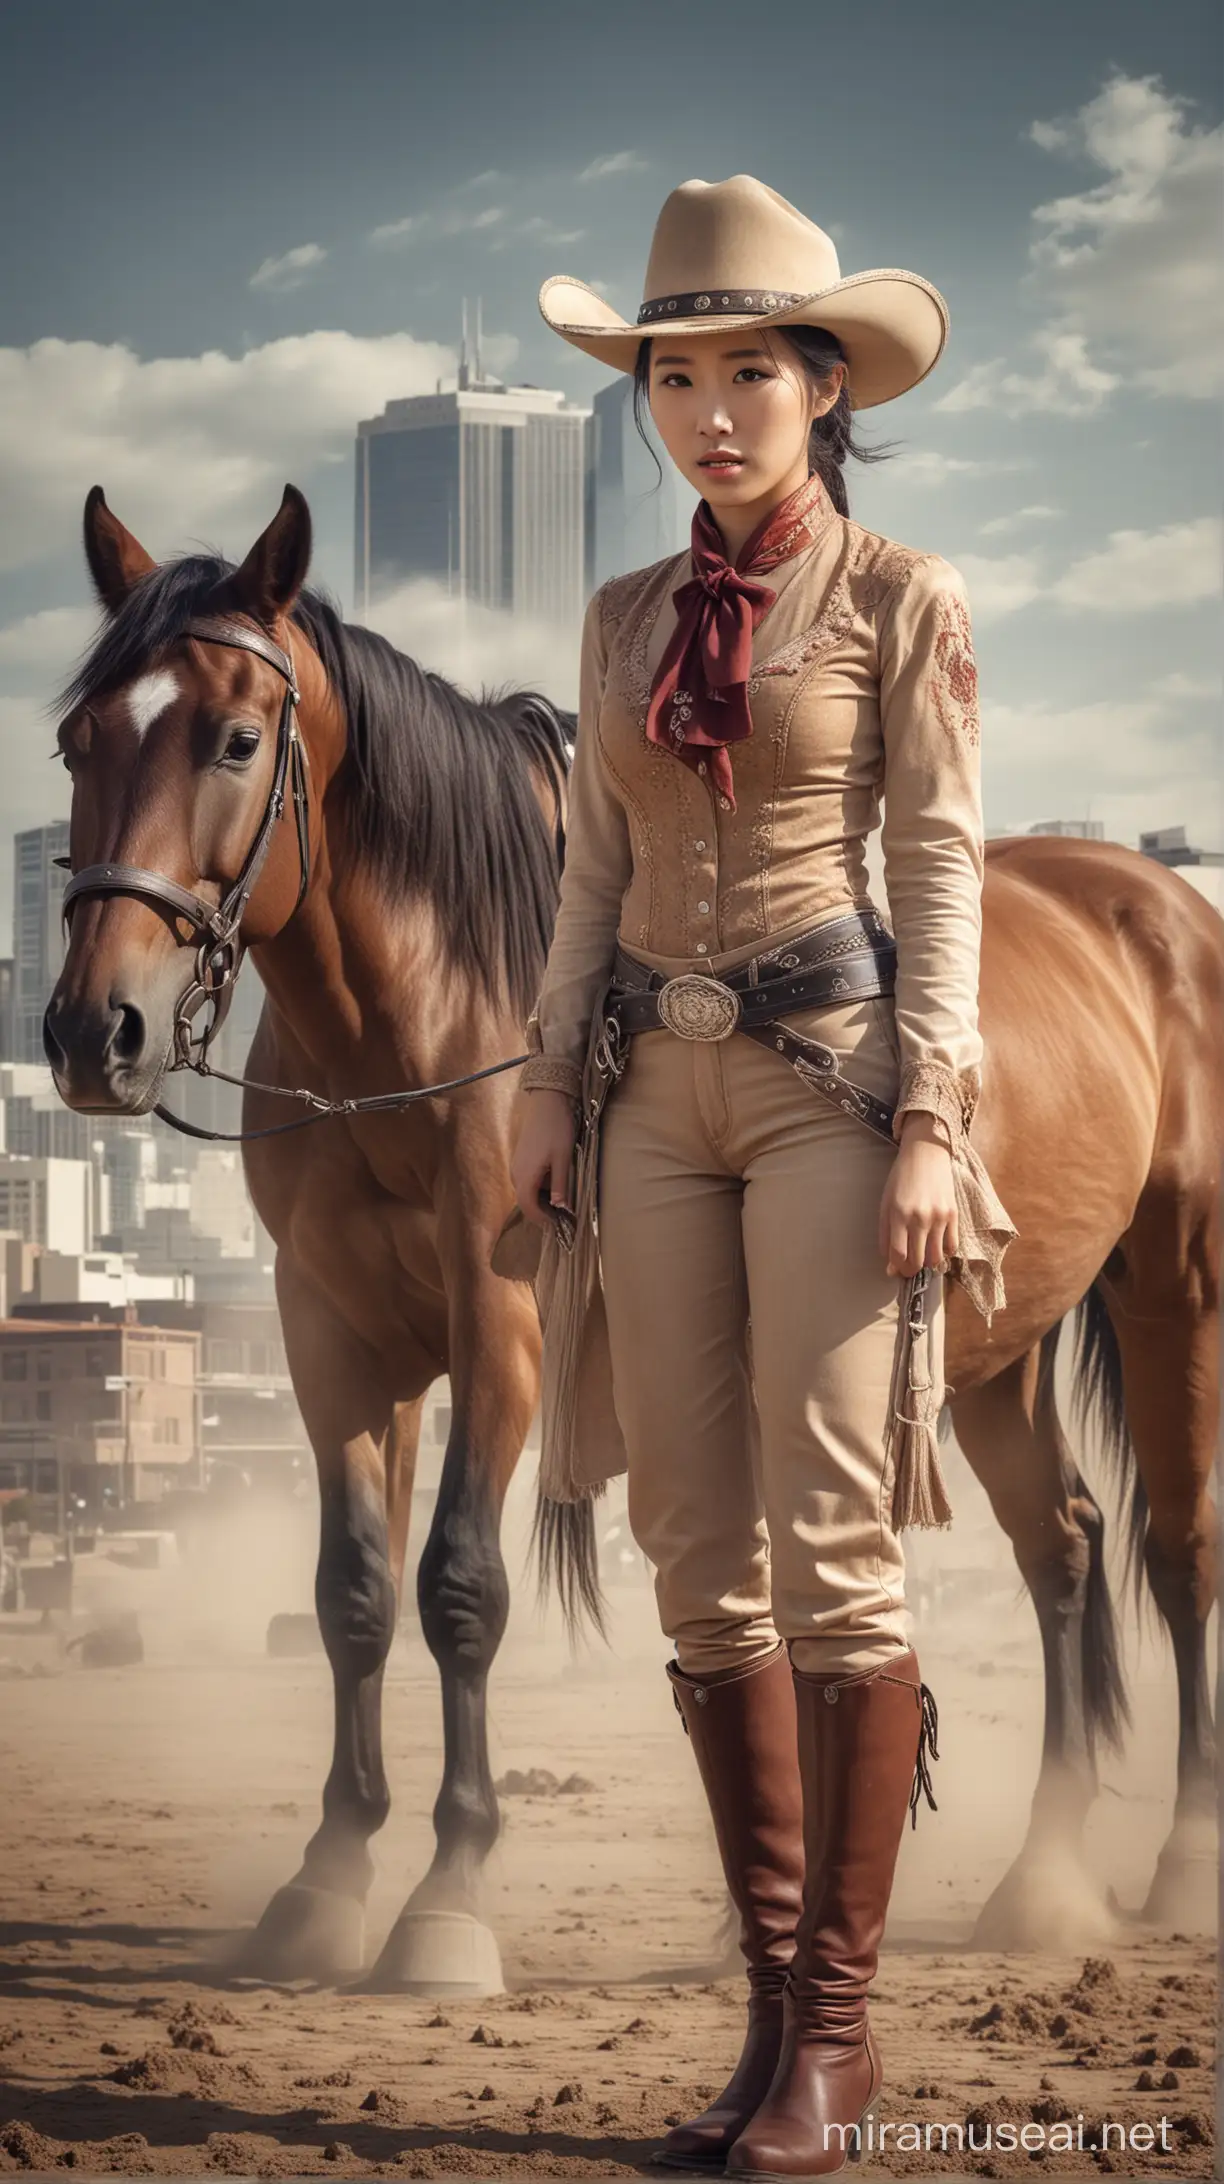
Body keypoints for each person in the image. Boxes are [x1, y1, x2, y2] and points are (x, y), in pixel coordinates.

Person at [505, 175, 1017, 2181]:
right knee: (693, 1559)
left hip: (828, 1078)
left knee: (831, 1541)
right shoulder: (622, 618)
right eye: (676, 376)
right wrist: (545, 1081)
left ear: (824, 383)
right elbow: (590, 877)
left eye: (750, 371)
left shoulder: (906, 598)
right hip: (645, 1091)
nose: (712, 410)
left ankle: (842, 2036)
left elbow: (944, 868)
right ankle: (766, 2011)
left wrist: (933, 1118)